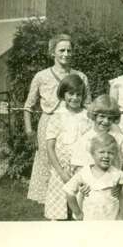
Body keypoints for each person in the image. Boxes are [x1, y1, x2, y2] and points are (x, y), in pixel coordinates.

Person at [24, 34, 91, 204]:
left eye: (69, 50)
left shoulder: (81, 76)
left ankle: (75, 202)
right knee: (48, 160)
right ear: (52, 52)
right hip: (49, 123)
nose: (66, 54)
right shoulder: (41, 76)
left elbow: (88, 104)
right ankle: (51, 203)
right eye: (61, 50)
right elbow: (28, 106)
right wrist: (29, 130)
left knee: (75, 159)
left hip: (74, 122)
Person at [44, 74, 91, 220]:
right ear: (63, 94)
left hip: (82, 167)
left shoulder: (87, 116)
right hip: (61, 169)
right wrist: (61, 172)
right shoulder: (57, 116)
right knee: (58, 207)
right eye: (71, 94)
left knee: (82, 206)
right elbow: (50, 147)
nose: (75, 98)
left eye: (79, 94)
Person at [64, 133, 123, 220]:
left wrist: (119, 188)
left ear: (115, 155)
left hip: (111, 219)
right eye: (101, 152)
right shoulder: (84, 173)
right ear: (93, 154)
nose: (106, 156)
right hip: (89, 219)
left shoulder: (117, 174)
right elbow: (69, 191)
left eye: (110, 153)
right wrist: (77, 212)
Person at [71, 94, 123, 176]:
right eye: (102, 116)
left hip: (114, 182)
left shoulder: (120, 138)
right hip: (92, 184)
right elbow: (79, 166)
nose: (105, 121)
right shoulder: (85, 139)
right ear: (94, 116)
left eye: (110, 118)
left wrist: (122, 183)